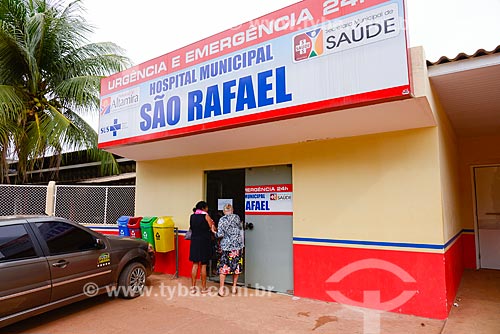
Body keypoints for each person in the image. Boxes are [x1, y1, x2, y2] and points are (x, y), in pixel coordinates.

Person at [215, 203, 244, 296]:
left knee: (224, 267)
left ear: (224, 211)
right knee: (236, 267)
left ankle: (221, 290)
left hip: (226, 246)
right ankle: (234, 288)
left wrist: (213, 231)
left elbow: (220, 234)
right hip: (236, 246)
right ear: (232, 210)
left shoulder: (222, 219)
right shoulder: (237, 217)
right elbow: (239, 228)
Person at [189, 201, 216, 294]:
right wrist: (213, 225)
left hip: (195, 242)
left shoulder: (192, 216)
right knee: (203, 265)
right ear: (204, 208)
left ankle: (192, 287)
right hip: (204, 242)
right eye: (207, 207)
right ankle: (203, 288)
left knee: (195, 264)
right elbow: (213, 228)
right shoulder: (206, 216)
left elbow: (192, 228)